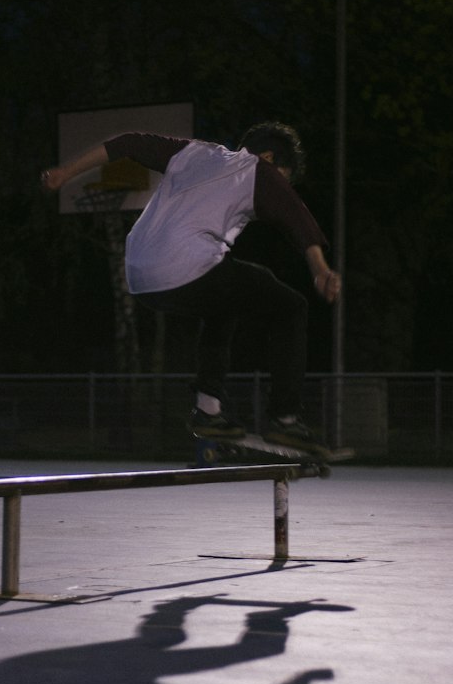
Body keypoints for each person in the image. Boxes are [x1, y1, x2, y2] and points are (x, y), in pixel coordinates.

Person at [41, 122, 341, 453]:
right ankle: (285, 419)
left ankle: (208, 409)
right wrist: (321, 270)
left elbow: (128, 142)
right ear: (269, 157)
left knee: (225, 299)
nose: (276, 190)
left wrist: (65, 172)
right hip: (184, 264)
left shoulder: (194, 152)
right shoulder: (259, 168)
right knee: (291, 306)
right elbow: (296, 218)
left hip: (139, 272)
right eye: (282, 178)